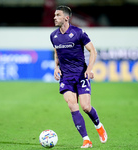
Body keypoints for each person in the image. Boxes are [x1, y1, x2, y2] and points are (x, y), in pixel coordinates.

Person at [50, 5, 107, 148]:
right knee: (72, 106)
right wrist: (56, 67)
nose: (54, 17)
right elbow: (57, 52)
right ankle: (86, 139)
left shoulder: (79, 33)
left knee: (86, 107)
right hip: (66, 77)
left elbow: (93, 51)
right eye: (54, 15)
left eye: (58, 15)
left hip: (81, 74)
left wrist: (89, 69)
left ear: (66, 18)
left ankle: (99, 126)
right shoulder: (53, 36)